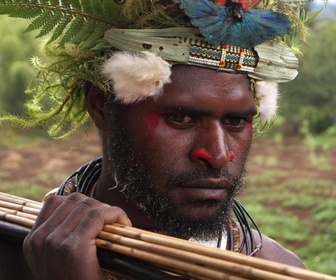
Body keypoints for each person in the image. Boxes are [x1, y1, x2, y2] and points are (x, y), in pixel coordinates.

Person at [0, 0, 319, 279]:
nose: (218, 154)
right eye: (180, 118)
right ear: (101, 105)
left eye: (236, 121)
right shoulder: (14, 254)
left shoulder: (272, 269)